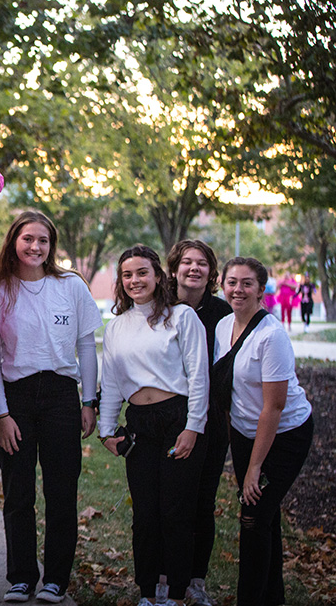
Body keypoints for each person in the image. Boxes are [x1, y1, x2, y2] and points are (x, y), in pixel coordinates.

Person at [0, 211, 102, 604]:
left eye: (43, 240)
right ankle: (20, 577)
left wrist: (89, 401)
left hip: (61, 396)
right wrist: (0, 415)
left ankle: (55, 579)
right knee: (18, 491)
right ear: (13, 242)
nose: (35, 247)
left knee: (61, 491)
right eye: (28, 239)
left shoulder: (69, 286)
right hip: (15, 397)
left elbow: (86, 345)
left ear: (52, 246)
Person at [99, 245, 209, 606]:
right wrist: (106, 429)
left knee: (175, 512)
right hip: (140, 424)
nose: (135, 281)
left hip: (177, 419)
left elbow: (198, 377)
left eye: (142, 272)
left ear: (159, 276)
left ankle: (176, 593)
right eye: (127, 275)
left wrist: (193, 426)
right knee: (145, 514)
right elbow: (112, 381)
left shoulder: (181, 317)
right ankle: (149, 592)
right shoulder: (117, 326)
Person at [216, 257, 313, 606]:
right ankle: (273, 598)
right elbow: (229, 390)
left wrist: (254, 467)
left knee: (253, 518)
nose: (238, 289)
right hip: (245, 433)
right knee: (265, 517)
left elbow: (273, 408)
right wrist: (236, 445)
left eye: (246, 283)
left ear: (261, 290)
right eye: (232, 282)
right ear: (223, 285)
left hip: (284, 435)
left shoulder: (271, 336)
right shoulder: (223, 326)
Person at [166, 239, 231, 606]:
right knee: (170, 502)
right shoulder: (160, 307)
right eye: (187, 262)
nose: (194, 268)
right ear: (174, 268)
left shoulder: (223, 313)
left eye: (202, 263)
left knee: (202, 502)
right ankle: (163, 576)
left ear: (211, 271)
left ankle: (195, 580)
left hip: (211, 420)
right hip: (167, 417)